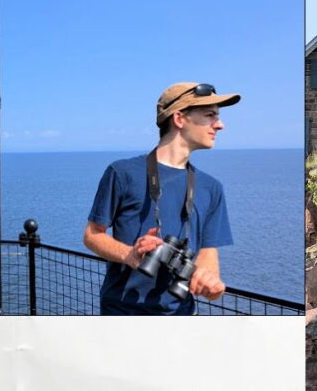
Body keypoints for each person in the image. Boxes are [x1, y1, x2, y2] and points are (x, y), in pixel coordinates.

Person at [83, 82, 239, 315]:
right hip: (122, 313)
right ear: (179, 119)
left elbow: (208, 251)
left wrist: (210, 282)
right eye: (210, 115)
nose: (220, 124)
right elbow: (92, 235)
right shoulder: (122, 173)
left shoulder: (211, 188)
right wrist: (129, 255)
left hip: (181, 316)